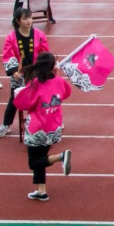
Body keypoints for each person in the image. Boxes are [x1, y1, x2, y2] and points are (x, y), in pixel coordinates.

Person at [11, 52, 72, 201]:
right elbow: (66, 93)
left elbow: (21, 103)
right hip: (54, 127)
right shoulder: (59, 81)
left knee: (33, 162)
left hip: (37, 128)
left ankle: (60, 157)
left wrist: (21, 85)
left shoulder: (35, 84)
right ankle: (41, 191)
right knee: (41, 158)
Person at [0, 7, 50, 138]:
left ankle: (48, 121)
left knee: (43, 98)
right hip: (19, 74)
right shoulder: (11, 37)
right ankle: (6, 125)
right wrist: (14, 71)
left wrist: (44, 67)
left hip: (36, 72)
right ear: (18, 21)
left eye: (30, 18)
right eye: (25, 18)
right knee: (14, 99)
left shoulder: (39, 35)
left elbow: (45, 53)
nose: (29, 21)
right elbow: (8, 55)